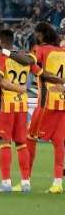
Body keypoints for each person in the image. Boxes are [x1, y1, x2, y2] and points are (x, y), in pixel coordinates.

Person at [0, 28, 46, 192]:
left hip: (6, 104)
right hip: (22, 105)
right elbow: (39, 73)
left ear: (1, 41)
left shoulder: (2, 57)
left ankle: (6, 182)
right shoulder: (24, 58)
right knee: (21, 143)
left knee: (4, 142)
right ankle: (25, 182)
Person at [29, 22, 65, 193]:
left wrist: (40, 73)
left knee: (29, 138)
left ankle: (25, 180)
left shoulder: (41, 49)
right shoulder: (62, 51)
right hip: (63, 101)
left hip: (46, 102)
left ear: (40, 34)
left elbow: (30, 64)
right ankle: (57, 183)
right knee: (59, 142)